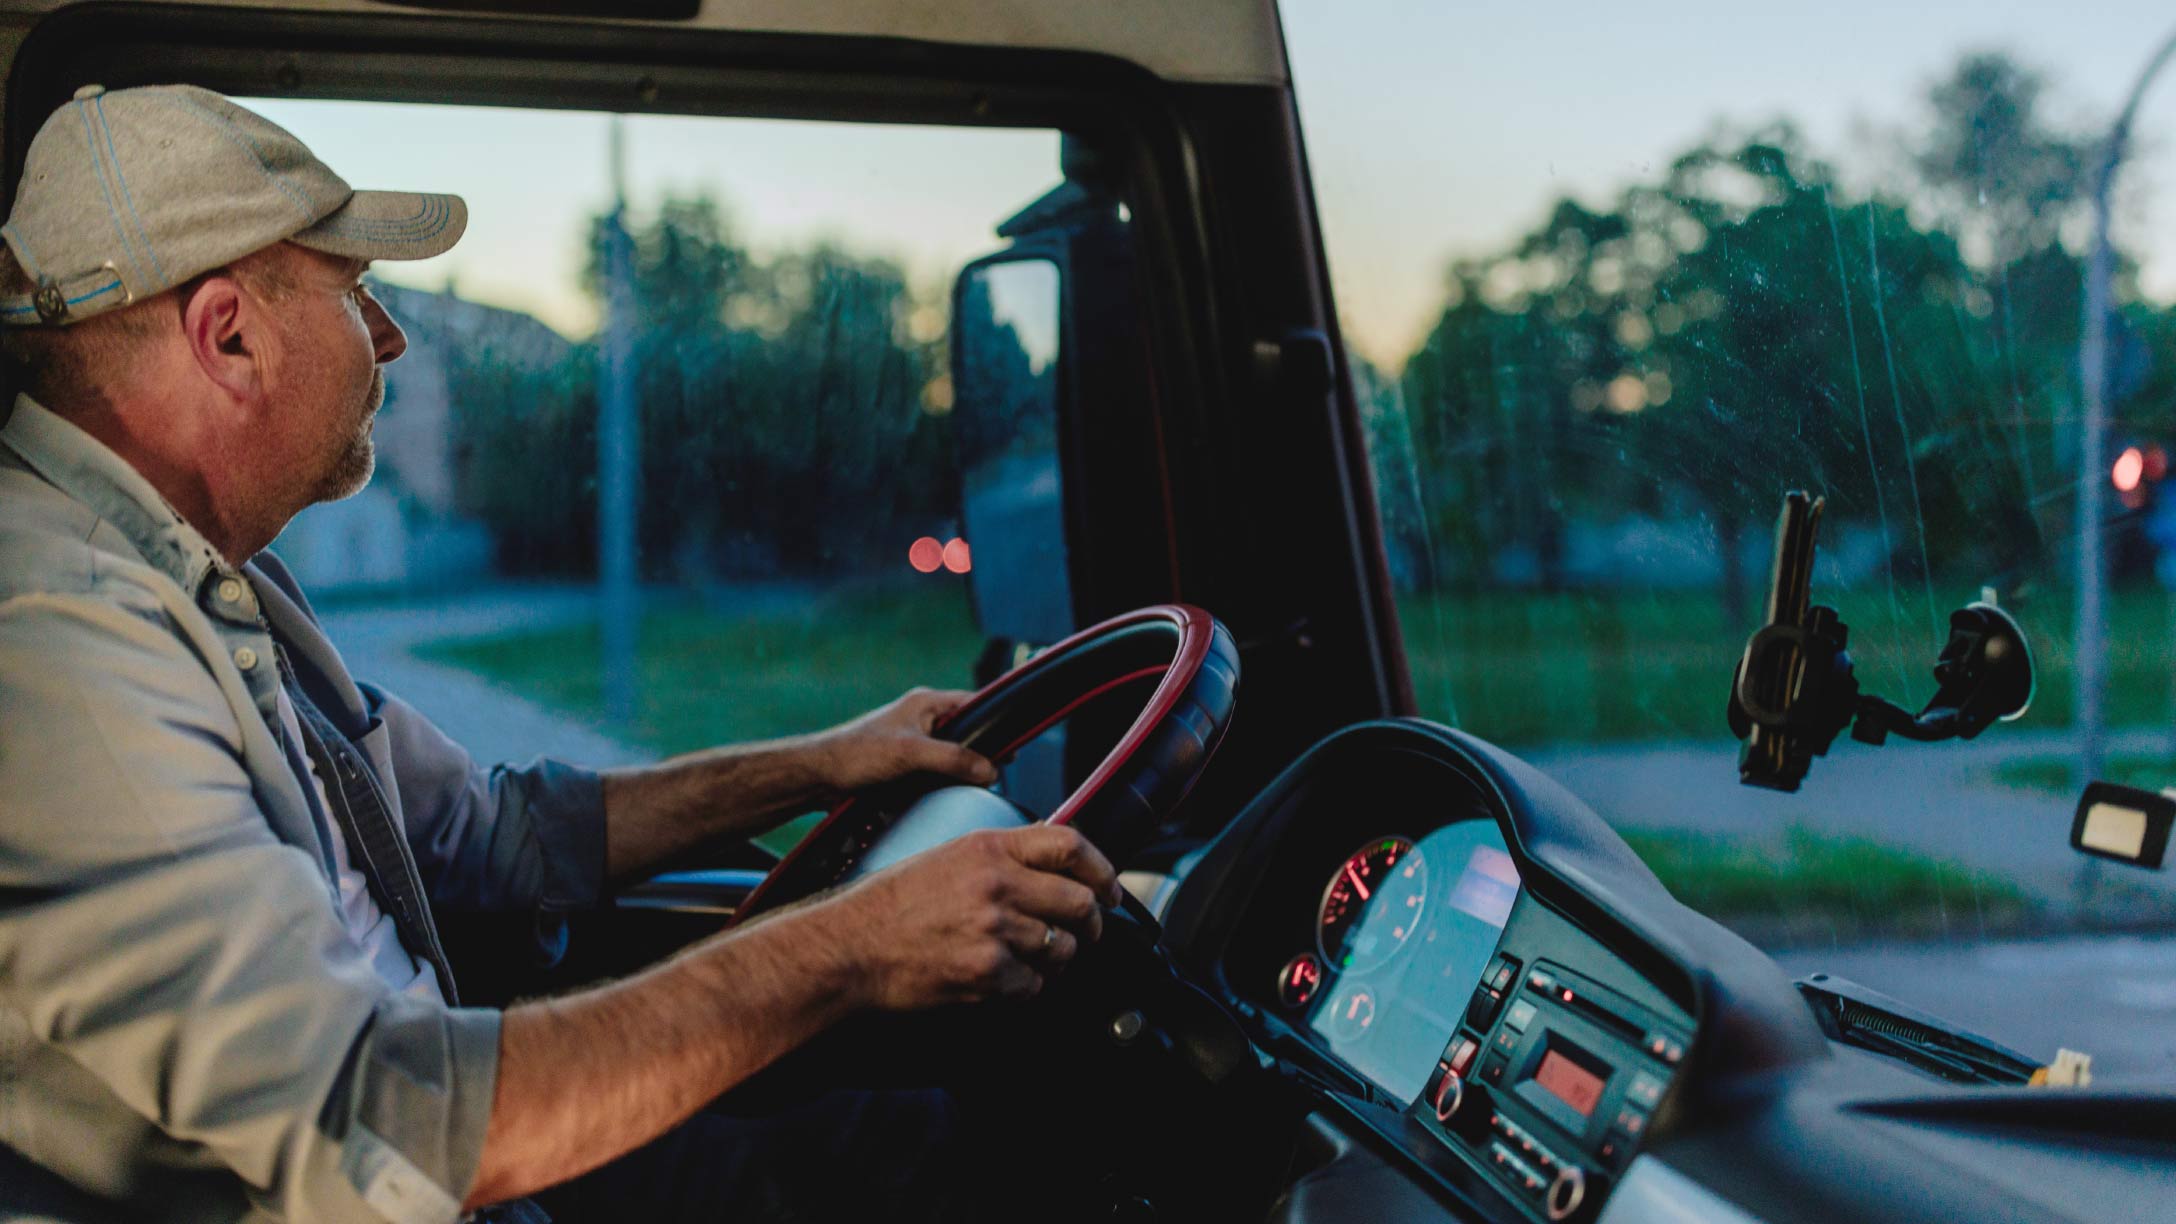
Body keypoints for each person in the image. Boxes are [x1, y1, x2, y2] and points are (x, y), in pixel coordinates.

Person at [0, 84, 1119, 1222]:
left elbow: (491, 837)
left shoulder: (214, 579)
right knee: (961, 1155)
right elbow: (375, 1120)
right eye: (356, 291)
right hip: (439, 1173)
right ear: (228, 335)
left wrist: (828, 762)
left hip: (476, 1160)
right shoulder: (57, 645)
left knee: (908, 1128)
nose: (389, 336)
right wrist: (853, 947)